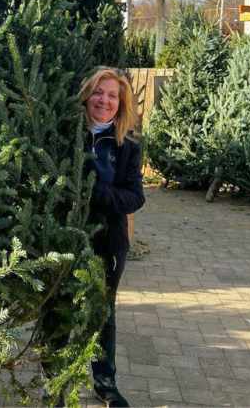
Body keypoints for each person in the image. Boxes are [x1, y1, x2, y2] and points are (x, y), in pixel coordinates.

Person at [41, 67, 145, 407]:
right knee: (57, 310)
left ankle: (105, 383)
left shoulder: (127, 145)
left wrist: (96, 192)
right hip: (64, 238)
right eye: (99, 93)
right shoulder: (64, 137)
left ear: (121, 103)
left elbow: (134, 197)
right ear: (87, 95)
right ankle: (55, 383)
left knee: (102, 313)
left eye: (113, 95)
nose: (105, 100)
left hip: (108, 241)